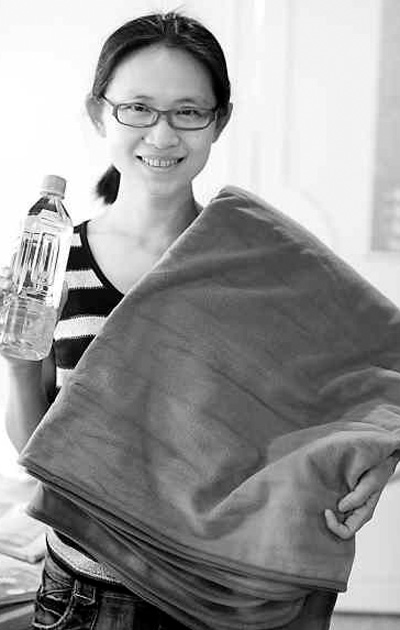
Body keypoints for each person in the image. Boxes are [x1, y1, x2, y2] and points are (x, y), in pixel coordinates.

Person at [0, 10, 398, 630]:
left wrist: (380, 457)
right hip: (84, 594)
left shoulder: (259, 258)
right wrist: (18, 363)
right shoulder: (54, 262)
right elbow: (44, 450)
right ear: (99, 113)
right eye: (137, 108)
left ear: (220, 120)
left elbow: (372, 372)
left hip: (223, 598)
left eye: (188, 111)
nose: (162, 135)